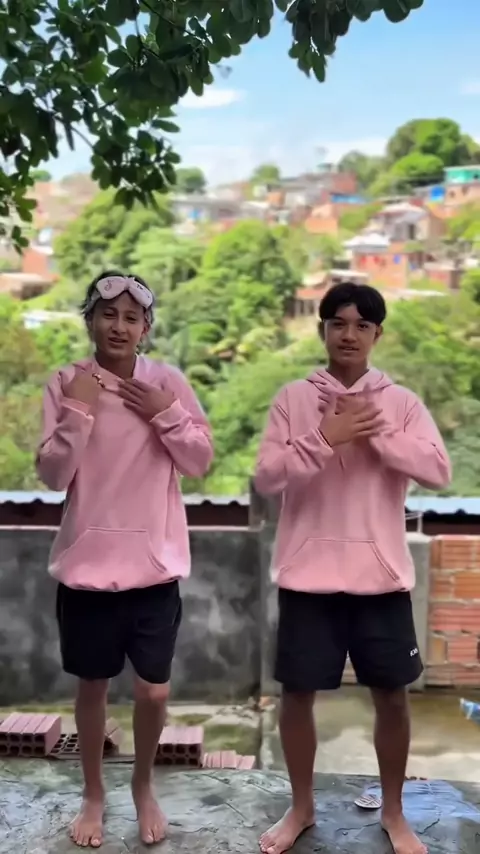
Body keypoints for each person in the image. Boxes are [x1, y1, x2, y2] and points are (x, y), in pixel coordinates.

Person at [254, 282, 451, 854]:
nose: (349, 334)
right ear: (322, 330)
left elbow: (438, 470)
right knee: (297, 696)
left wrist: (378, 432)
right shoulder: (293, 399)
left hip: (380, 581)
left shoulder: (402, 403)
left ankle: (394, 811)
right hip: (306, 578)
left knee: (393, 697)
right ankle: (301, 807)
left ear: (376, 334)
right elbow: (267, 477)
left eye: (362, 325)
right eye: (338, 323)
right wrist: (324, 437)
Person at [36, 271, 213, 848]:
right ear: (89, 320)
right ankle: (93, 793)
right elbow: (53, 475)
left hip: (154, 568)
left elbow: (199, 461)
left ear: (146, 328)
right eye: (107, 314)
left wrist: (166, 412)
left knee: (154, 691)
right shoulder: (66, 382)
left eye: (131, 318)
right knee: (92, 688)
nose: (119, 326)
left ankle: (142, 784)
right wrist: (78, 412)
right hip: (86, 571)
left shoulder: (168, 382)